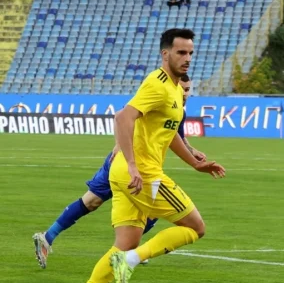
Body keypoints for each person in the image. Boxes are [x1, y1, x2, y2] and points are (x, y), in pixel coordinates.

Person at [62, 30, 226, 283]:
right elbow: (123, 117)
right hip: (143, 175)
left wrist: (194, 163)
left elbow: (169, 133)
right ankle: (132, 261)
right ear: (166, 54)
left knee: (125, 244)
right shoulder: (157, 84)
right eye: (181, 52)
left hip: (124, 175)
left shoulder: (175, 90)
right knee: (195, 227)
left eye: (190, 53)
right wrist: (134, 165)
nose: (187, 58)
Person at [34, 75, 205, 269]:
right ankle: (51, 238)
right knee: (98, 202)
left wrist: (191, 150)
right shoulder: (157, 96)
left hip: (142, 166)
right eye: (182, 88)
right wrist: (119, 145)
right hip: (126, 162)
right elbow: (121, 116)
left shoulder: (178, 110)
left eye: (188, 89)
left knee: (99, 202)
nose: (185, 93)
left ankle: (49, 238)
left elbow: (176, 135)